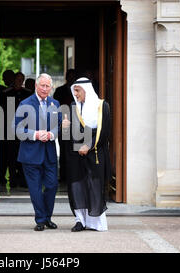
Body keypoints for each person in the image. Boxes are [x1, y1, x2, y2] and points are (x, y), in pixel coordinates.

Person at [62, 77, 111, 232]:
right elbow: (67, 135)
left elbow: (104, 132)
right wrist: (64, 127)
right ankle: (80, 220)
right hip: (75, 156)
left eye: (78, 91)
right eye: (74, 91)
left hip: (94, 153)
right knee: (77, 187)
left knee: (94, 186)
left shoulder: (102, 106)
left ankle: (95, 221)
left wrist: (88, 146)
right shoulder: (72, 107)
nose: (75, 94)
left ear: (86, 90)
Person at [14, 73, 62, 231]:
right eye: (42, 85)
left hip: (49, 153)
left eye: (48, 86)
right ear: (36, 85)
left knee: (52, 185)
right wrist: (35, 134)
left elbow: (58, 126)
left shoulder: (55, 104)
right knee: (35, 189)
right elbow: (17, 129)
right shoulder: (25, 103)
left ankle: (48, 217)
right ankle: (41, 219)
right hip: (30, 154)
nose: (45, 89)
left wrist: (51, 134)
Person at [4, 72, 33, 188]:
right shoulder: (6, 93)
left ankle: (23, 179)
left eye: (22, 79)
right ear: (14, 80)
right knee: (11, 156)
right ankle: (12, 180)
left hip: (25, 129)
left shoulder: (28, 94)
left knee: (24, 155)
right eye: (18, 79)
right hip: (10, 129)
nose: (19, 81)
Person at [53, 69, 77, 186]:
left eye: (74, 76)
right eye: (70, 76)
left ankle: (73, 175)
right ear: (66, 77)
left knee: (75, 151)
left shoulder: (78, 91)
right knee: (63, 151)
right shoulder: (60, 90)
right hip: (64, 124)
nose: (72, 78)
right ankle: (63, 176)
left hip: (77, 125)